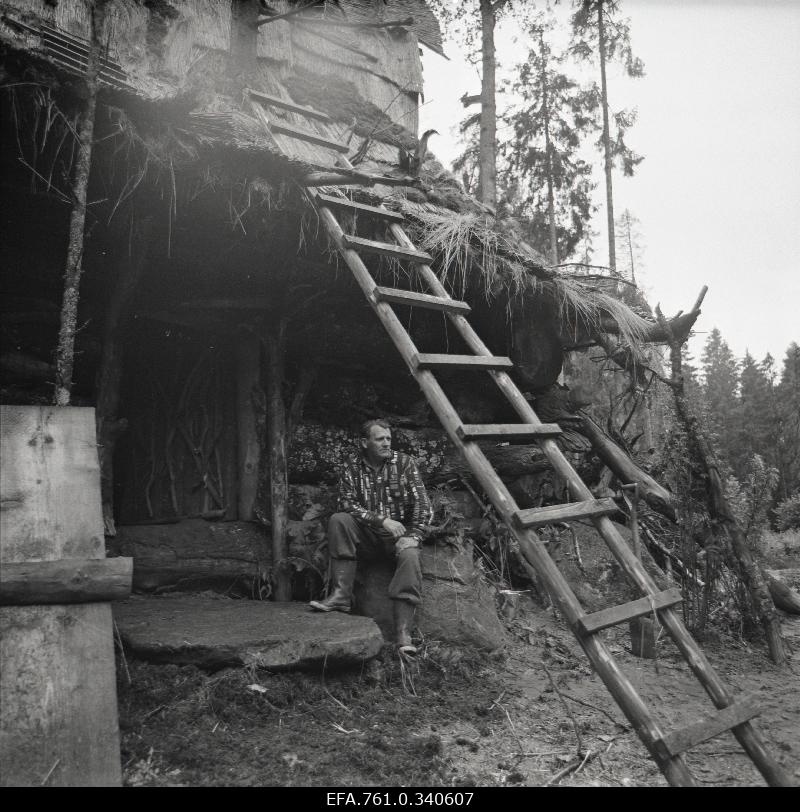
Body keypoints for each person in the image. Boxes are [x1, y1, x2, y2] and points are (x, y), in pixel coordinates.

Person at [309, 418, 432, 656]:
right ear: (364, 443)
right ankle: (340, 596)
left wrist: (414, 535)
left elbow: (423, 505)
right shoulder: (352, 466)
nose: (386, 443)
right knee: (339, 520)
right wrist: (380, 520)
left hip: (399, 538)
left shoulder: (404, 463)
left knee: (410, 557)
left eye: (388, 438)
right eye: (380, 439)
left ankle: (403, 633)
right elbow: (345, 503)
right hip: (367, 536)